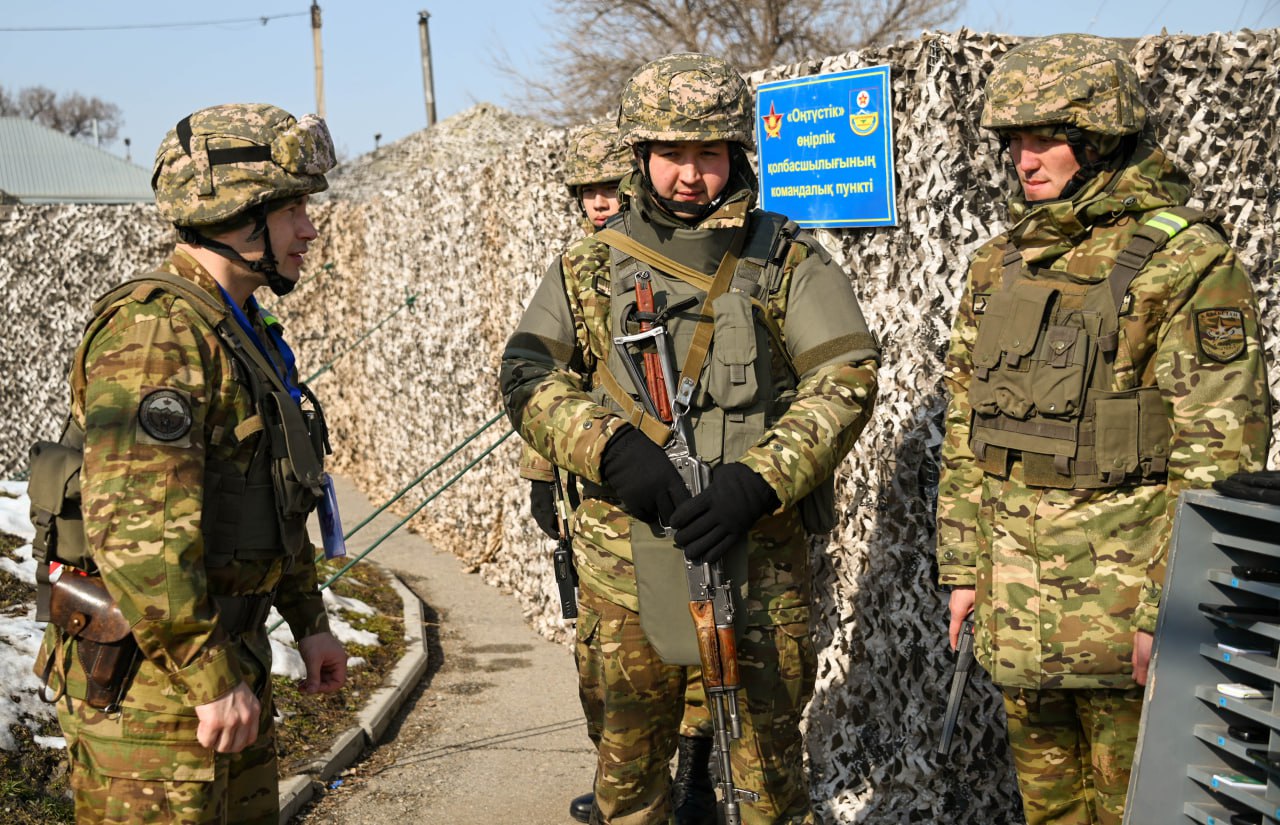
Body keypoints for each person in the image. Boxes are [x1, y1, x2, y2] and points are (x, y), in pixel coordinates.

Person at [501, 53, 880, 824]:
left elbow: (846, 377)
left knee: (767, 780)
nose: (689, 174)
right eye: (671, 153)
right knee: (629, 776)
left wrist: (760, 480)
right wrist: (606, 446)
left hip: (759, 559)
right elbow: (527, 373)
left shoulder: (785, 260)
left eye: (708, 153)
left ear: (736, 155)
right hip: (623, 565)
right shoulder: (588, 265)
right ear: (641, 156)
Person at [935, 34, 1271, 825]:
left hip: (1127, 621)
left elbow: (1218, 456)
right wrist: (962, 565)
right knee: (1048, 811)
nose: (1026, 158)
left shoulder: (1187, 262)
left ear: (1102, 136)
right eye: (1016, 139)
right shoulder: (997, 265)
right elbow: (966, 429)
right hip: (1017, 605)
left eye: (1046, 136)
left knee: (1147, 811)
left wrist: (1176, 613)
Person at [33, 103, 348, 824]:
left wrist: (309, 620)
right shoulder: (158, 334)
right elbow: (138, 535)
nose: (309, 227)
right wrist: (209, 676)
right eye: (293, 207)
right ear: (239, 215)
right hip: (152, 695)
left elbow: (278, 495)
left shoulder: (242, 329)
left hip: (222, 665)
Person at [519, 121, 719, 824]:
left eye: (609, 188)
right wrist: (542, 476)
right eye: (588, 193)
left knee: (691, 650)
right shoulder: (581, 269)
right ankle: (625, 779)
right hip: (599, 498)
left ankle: (695, 781)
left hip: (681, 492)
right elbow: (549, 381)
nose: (600, 203)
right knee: (604, 664)